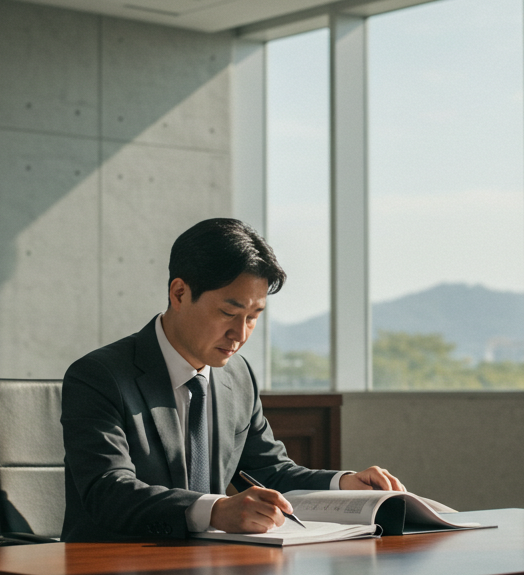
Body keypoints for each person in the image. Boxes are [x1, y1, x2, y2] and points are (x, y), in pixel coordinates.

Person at [61, 218, 403, 541]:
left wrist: (344, 483)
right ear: (179, 294)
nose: (240, 334)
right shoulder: (99, 376)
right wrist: (215, 511)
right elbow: (108, 489)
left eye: (253, 317)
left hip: (212, 570)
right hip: (113, 572)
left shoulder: (238, 377)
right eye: (229, 313)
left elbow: (271, 472)